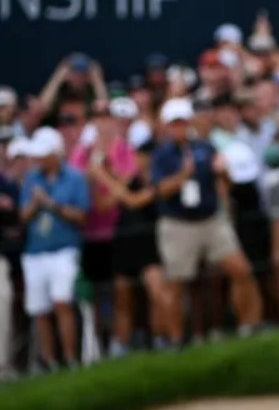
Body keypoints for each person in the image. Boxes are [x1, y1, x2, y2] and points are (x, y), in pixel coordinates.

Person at [152, 96, 262, 341]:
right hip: (178, 224)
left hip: (210, 219)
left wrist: (225, 175)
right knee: (177, 284)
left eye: (183, 122)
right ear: (168, 126)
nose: (180, 127)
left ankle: (250, 328)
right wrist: (183, 174)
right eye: (175, 123)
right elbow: (159, 190)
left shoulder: (205, 147)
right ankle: (176, 342)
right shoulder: (161, 154)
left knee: (240, 269)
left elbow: (222, 184)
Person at [89, 123, 180, 349]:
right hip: (125, 241)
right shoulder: (130, 178)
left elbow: (132, 200)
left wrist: (102, 176)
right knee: (123, 298)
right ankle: (122, 344)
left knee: (157, 292)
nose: (140, 159)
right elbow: (104, 204)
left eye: (144, 155)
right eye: (139, 154)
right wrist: (99, 177)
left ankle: (168, 339)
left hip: (150, 242)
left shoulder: (160, 179)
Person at [19, 127, 89, 369]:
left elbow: (81, 216)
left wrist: (50, 204)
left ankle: (70, 358)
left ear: (55, 154)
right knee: (39, 310)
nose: (38, 159)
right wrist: (36, 205)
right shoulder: (31, 179)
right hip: (35, 253)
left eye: (43, 154)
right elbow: (23, 216)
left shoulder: (75, 177)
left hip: (64, 250)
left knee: (62, 302)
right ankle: (49, 363)